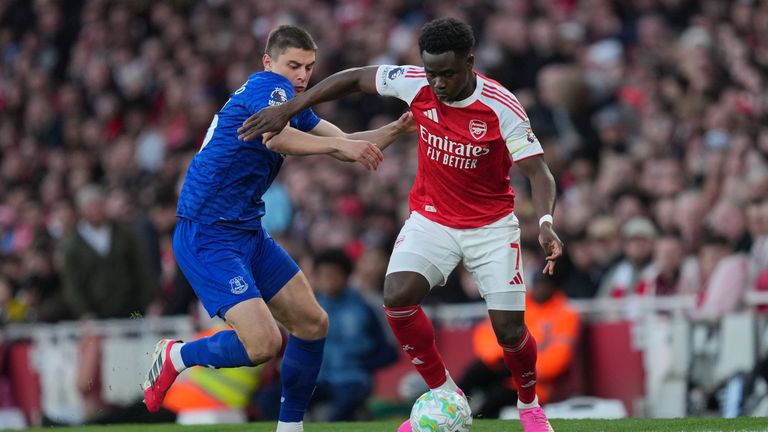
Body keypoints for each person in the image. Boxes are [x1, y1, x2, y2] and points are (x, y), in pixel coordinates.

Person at [239, 17, 564, 432]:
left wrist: (547, 222)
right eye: (432, 72)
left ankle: (528, 404)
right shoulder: (414, 82)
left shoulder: (502, 106)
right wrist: (289, 108)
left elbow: (539, 173)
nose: (439, 82)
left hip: (491, 226)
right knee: (396, 297)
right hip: (431, 217)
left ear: (470, 61)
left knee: (509, 330)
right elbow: (355, 78)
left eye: (448, 72)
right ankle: (447, 396)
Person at [141, 25, 414, 432]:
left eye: (308, 67)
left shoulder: (293, 103)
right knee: (264, 344)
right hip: (207, 233)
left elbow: (346, 142)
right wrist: (341, 147)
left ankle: (290, 427)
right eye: (293, 65)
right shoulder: (268, 88)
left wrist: (395, 129)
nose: (302, 75)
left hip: (247, 231)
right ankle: (177, 356)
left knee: (312, 323)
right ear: (268, 63)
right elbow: (277, 139)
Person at [460, 273, 580, 418]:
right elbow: (486, 335)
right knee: (475, 372)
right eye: (537, 284)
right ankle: (448, 405)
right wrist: (500, 357)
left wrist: (523, 367)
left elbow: (559, 358)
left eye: (544, 284)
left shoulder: (564, 314)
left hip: (532, 378)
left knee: (493, 399)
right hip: (504, 365)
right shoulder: (516, 305)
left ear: (554, 286)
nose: (540, 288)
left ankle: (475, 419)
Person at [309, 249, 398, 421]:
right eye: (323, 275)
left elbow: (390, 351)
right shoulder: (310, 308)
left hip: (354, 379)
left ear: (346, 276)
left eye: (333, 274)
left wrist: (363, 365)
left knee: (338, 413)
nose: (328, 280)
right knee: (273, 398)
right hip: (319, 378)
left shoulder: (366, 307)